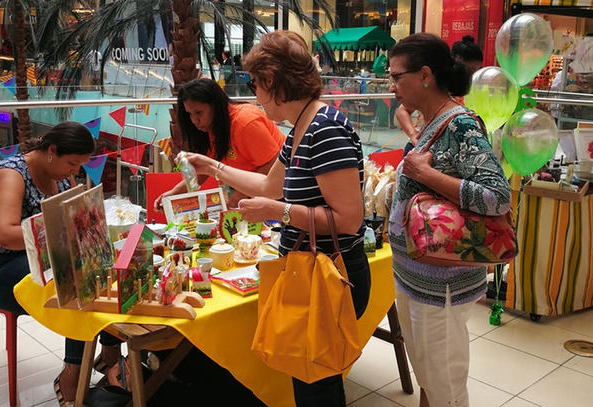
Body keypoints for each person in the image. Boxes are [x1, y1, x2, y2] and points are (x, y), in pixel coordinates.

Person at [183, 30, 371, 407]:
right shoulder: (301, 127)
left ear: (271, 82)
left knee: (316, 382)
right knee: (311, 377)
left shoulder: (324, 129)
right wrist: (214, 167)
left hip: (332, 272)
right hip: (307, 268)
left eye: (255, 84)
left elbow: (348, 219)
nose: (254, 94)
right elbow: (269, 184)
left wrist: (277, 212)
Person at [387, 33, 511, 407]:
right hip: (414, 275)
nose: (392, 86)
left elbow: (498, 197)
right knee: (429, 375)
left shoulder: (460, 125)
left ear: (425, 75)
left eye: (397, 77)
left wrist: (428, 176)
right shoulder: (432, 121)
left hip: (441, 283)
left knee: (445, 385)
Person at [0, 122, 121, 405]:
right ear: (51, 151)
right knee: (74, 282)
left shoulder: (60, 176)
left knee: (102, 265)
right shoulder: (11, 175)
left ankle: (111, 352)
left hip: (28, 259)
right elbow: (3, 235)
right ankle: (72, 377)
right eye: (72, 163)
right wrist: (64, 230)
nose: (75, 171)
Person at [154, 78, 285, 209]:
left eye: (199, 113)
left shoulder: (245, 123)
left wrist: (238, 197)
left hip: (284, 191)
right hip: (256, 192)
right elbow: (204, 170)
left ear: (215, 106)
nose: (194, 120)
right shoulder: (211, 128)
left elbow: (272, 165)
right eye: (190, 114)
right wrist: (172, 194)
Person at [396, 34, 484, 154]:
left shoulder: (463, 123)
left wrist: (423, 171)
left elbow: (488, 172)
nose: (392, 88)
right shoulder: (438, 92)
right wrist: (414, 136)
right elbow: (402, 111)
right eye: (473, 69)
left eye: (397, 77)